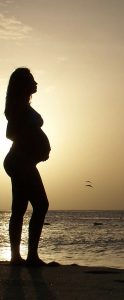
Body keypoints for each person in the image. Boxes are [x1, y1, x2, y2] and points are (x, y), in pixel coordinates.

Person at [3, 67, 51, 266]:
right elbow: (10, 133)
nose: (36, 83)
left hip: (22, 160)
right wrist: (32, 143)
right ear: (22, 84)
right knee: (41, 204)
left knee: (20, 208)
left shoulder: (23, 105)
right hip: (20, 160)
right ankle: (29, 256)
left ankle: (18, 257)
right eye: (32, 79)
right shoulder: (17, 108)